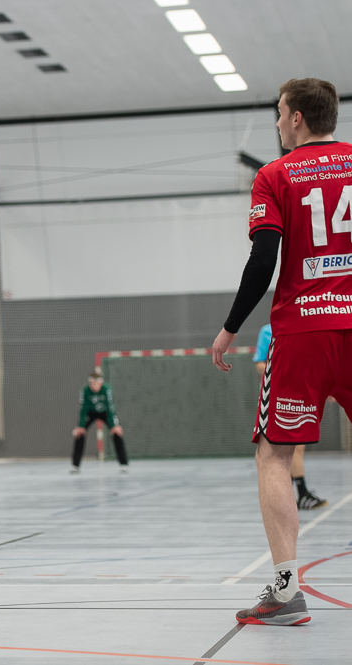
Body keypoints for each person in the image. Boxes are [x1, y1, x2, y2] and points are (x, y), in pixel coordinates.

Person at [211, 77, 350, 626]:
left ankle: (288, 592)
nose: (275, 122)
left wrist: (230, 328)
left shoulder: (275, 175)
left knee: (273, 455)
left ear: (296, 118)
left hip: (303, 332)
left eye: (278, 112)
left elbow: (263, 258)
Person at [253, 323, 328, 510]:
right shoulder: (268, 331)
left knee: (296, 447)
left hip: (300, 393)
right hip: (277, 395)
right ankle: (296, 494)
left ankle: (298, 493)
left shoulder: (305, 325)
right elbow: (260, 365)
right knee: (281, 450)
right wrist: (287, 369)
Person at [70, 368, 128, 474]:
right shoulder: (85, 390)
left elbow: (110, 407)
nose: (94, 385)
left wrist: (114, 425)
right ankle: (75, 465)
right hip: (91, 412)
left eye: (97, 383)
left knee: (117, 433)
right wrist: (81, 426)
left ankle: (123, 464)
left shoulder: (107, 389)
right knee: (79, 434)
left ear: (101, 383)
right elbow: (83, 408)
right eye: (92, 383)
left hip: (105, 412)